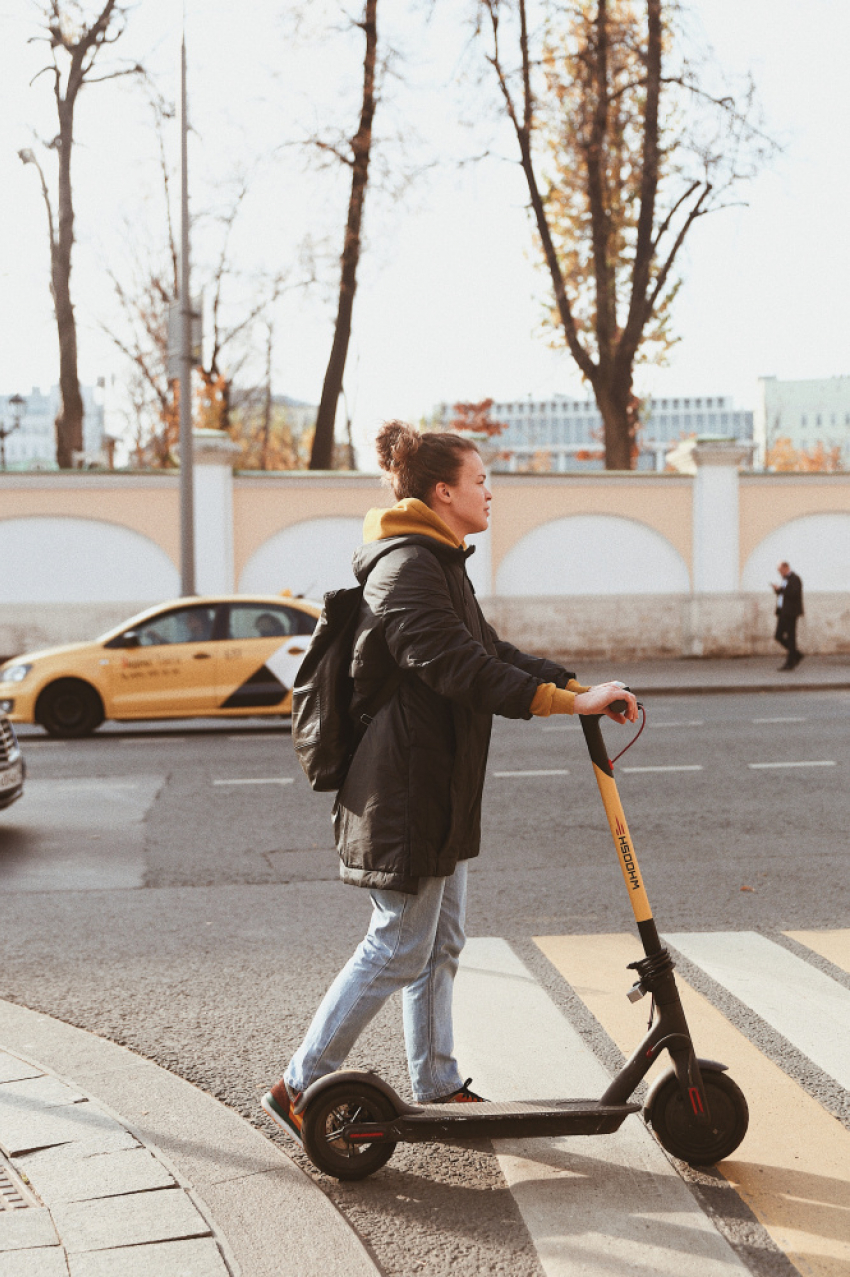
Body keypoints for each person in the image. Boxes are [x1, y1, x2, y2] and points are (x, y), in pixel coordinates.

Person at [262, 422, 638, 1142]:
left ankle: (435, 1080)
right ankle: (299, 1083)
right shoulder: (406, 567)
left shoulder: (440, 562)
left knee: (440, 942)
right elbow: (457, 669)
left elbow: (489, 650)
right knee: (398, 944)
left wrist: (575, 685)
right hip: (402, 796)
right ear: (443, 490)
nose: (490, 490)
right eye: (480, 479)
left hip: (436, 789)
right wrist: (567, 703)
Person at [772, 561, 804, 670]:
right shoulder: (785, 580)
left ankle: (790, 663)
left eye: (780, 570)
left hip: (791, 612)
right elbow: (784, 594)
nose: (780, 573)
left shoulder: (795, 578)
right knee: (778, 636)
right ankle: (796, 654)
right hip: (782, 612)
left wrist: (780, 589)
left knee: (791, 637)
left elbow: (793, 593)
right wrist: (777, 590)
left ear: (786, 568)